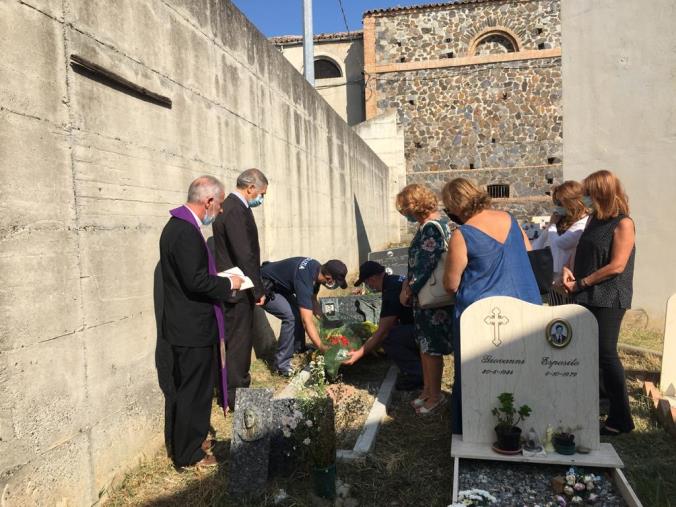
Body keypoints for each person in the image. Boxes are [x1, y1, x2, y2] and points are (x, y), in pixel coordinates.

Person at [441, 178, 541, 434]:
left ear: (454, 206)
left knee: (478, 371)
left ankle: (474, 427)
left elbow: (451, 284)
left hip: (481, 314)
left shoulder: (462, 235)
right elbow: (530, 254)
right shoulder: (510, 219)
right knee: (522, 371)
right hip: (524, 305)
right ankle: (525, 424)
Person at [159, 176, 243, 468]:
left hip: (190, 326)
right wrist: (228, 283)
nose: (218, 212)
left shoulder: (180, 227)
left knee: (196, 389)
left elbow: (190, 275)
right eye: (218, 206)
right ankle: (187, 454)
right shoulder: (184, 231)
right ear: (208, 201)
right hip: (190, 328)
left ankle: (192, 440)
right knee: (192, 391)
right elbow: (195, 281)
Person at [562, 170, 636, 435]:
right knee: (588, 353)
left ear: (601, 193)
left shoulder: (623, 223)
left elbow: (617, 265)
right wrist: (568, 269)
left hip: (608, 297)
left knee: (606, 354)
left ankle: (621, 420)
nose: (584, 198)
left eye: (588, 193)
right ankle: (596, 403)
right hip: (585, 293)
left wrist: (583, 282)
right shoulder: (595, 219)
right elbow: (582, 249)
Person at [212, 168, 268, 411]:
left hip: (239, 285)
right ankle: (236, 394)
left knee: (238, 341)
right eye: (262, 193)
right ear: (250, 188)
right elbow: (244, 254)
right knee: (238, 342)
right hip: (238, 288)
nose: (261, 198)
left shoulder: (235, 207)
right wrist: (258, 289)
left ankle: (235, 390)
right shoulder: (234, 209)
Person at [396, 184, 454, 415]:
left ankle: (435, 395)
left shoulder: (431, 227)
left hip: (431, 298)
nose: (403, 213)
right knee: (425, 346)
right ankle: (428, 391)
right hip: (424, 297)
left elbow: (425, 264)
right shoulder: (427, 226)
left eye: (405, 208)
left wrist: (408, 290)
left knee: (432, 349)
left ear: (415, 205)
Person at [342, 261, 423, 390]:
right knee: (394, 332)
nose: (368, 286)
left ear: (372, 278)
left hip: (423, 331)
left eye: (367, 283)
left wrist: (358, 354)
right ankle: (420, 362)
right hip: (423, 326)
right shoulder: (394, 280)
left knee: (389, 338)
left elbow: (383, 332)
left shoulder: (391, 291)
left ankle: (417, 375)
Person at [261, 257, 348, 375]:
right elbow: (306, 321)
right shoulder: (305, 278)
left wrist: (327, 322)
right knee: (291, 316)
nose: (334, 285)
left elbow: (312, 301)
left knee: (298, 310)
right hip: (263, 286)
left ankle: (299, 348)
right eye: (334, 282)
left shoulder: (317, 270)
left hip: (280, 286)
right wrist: (321, 347)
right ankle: (281, 366)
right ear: (328, 277)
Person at [532, 181, 589, 305]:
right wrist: (549, 228)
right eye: (555, 202)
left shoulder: (584, 222)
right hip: (555, 282)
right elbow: (536, 246)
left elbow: (560, 244)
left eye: (559, 203)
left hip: (571, 281)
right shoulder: (561, 221)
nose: (557, 206)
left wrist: (551, 226)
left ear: (571, 202)